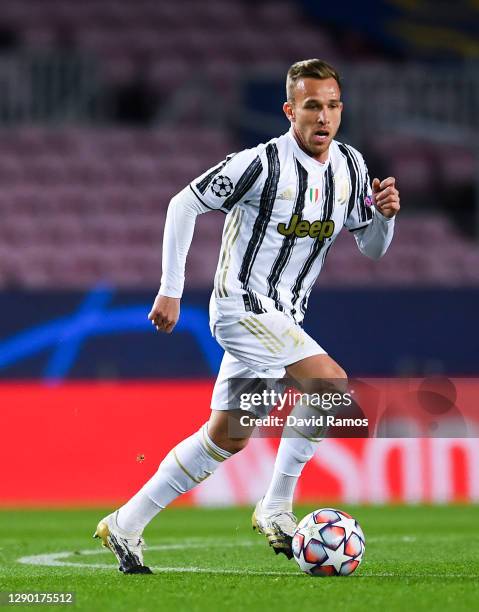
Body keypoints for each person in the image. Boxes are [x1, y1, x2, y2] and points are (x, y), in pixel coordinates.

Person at [93, 59, 400, 573]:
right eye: (311, 107)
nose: (322, 117)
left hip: (284, 318)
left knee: (228, 436)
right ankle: (277, 506)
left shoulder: (350, 167)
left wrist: (385, 219)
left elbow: (371, 247)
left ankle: (125, 524)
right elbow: (182, 204)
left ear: (341, 111)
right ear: (289, 111)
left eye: (331, 106)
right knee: (331, 387)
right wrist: (171, 289)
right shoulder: (259, 164)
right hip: (240, 308)